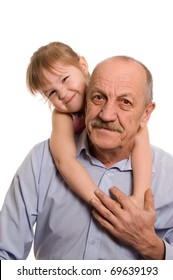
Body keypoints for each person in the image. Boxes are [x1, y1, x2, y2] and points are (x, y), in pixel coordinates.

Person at [0, 55, 173, 260]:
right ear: (88, 95)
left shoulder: (167, 174)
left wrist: (150, 245)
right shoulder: (42, 160)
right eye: (98, 97)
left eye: (125, 102)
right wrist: (98, 201)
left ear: (146, 114)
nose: (107, 115)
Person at [26, 42, 151, 208]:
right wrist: (100, 203)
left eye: (64, 79)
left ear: (82, 65)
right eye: (52, 92)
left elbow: (141, 142)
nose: (62, 94)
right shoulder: (62, 115)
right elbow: (64, 161)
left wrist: (139, 197)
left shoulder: (107, 86)